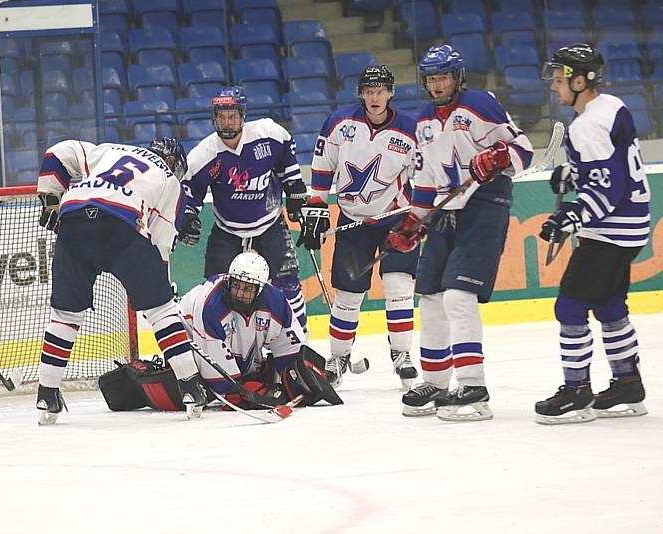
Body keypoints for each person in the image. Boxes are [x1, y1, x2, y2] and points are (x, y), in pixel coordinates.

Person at [387, 45, 534, 421]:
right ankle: (436, 382)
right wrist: (414, 222)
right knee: (432, 296)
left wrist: (499, 156)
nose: (438, 85)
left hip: (485, 205)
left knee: (458, 295)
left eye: (444, 77)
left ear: (458, 76)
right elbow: (425, 181)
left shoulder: (481, 104)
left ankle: (474, 386)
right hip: (444, 212)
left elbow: (524, 151)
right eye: (432, 78)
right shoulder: (422, 121)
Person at [34, 137, 204, 424]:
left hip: (74, 218)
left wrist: (50, 196)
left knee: (64, 315)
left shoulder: (109, 150)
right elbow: (161, 245)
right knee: (161, 312)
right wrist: (160, 293)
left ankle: (46, 394)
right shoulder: (170, 182)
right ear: (174, 162)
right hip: (122, 224)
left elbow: (58, 152)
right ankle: (190, 386)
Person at [534, 44, 650, 425]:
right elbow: (612, 166)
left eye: (559, 78)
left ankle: (576, 390)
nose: (554, 85)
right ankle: (628, 383)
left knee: (569, 306)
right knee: (609, 304)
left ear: (580, 80)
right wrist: (575, 174)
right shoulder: (611, 106)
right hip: (631, 224)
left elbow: (607, 188)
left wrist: (570, 216)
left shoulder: (586, 125)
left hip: (610, 229)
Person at [97, 253, 342, 414]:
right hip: (192, 339)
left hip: (237, 349)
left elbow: (290, 350)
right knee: (188, 394)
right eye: (237, 285)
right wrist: (246, 392)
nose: (240, 293)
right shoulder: (210, 305)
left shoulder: (276, 303)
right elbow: (222, 382)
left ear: (261, 288)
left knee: (259, 368)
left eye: (248, 289)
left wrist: (292, 377)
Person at [301, 65, 419, 389]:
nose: (375, 97)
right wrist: (316, 207)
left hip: (397, 217)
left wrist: (421, 212)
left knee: (398, 287)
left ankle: (402, 355)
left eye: (381, 90)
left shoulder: (410, 129)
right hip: (354, 219)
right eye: (369, 91)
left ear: (391, 93)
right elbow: (323, 166)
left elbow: (423, 175)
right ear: (361, 93)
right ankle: (337, 357)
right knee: (349, 295)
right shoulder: (340, 123)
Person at [180, 86, 310, 333]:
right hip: (228, 229)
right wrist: (188, 216)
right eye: (221, 116)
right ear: (214, 118)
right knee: (216, 287)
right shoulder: (204, 156)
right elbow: (190, 192)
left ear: (243, 116)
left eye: (232, 116)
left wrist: (293, 186)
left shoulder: (268, 134)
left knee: (287, 282)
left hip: (270, 224)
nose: (227, 122)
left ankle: (296, 337)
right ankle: (222, 339)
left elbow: (286, 153)